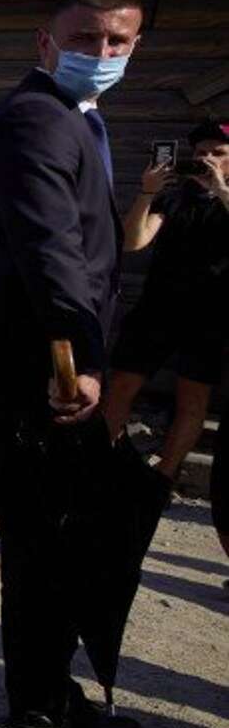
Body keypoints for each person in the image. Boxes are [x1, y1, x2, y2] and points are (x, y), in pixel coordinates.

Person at [0, 0, 146, 728]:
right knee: (48, 534)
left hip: (1, 351)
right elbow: (51, 246)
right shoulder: (39, 118)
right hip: (37, 363)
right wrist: (81, 357)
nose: (102, 55)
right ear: (46, 42)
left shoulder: (74, 117)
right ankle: (42, 696)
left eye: (118, 43)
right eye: (86, 39)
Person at [103, 121, 229, 486]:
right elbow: (134, 242)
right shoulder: (175, 196)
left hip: (209, 315)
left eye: (218, 153)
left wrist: (221, 190)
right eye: (201, 152)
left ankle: (162, 479)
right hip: (158, 307)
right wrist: (147, 192)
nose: (207, 158)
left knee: (193, 397)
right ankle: (104, 467)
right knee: (121, 385)